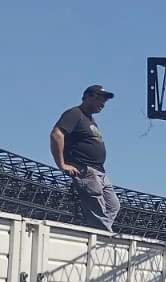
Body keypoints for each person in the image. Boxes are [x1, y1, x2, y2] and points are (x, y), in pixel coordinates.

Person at [51, 85, 121, 232]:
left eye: (105, 101)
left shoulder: (90, 120)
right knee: (98, 210)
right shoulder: (75, 113)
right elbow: (57, 134)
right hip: (85, 170)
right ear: (88, 96)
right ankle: (103, 237)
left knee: (113, 205)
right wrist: (62, 164)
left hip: (100, 172)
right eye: (100, 98)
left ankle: (99, 231)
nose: (103, 103)